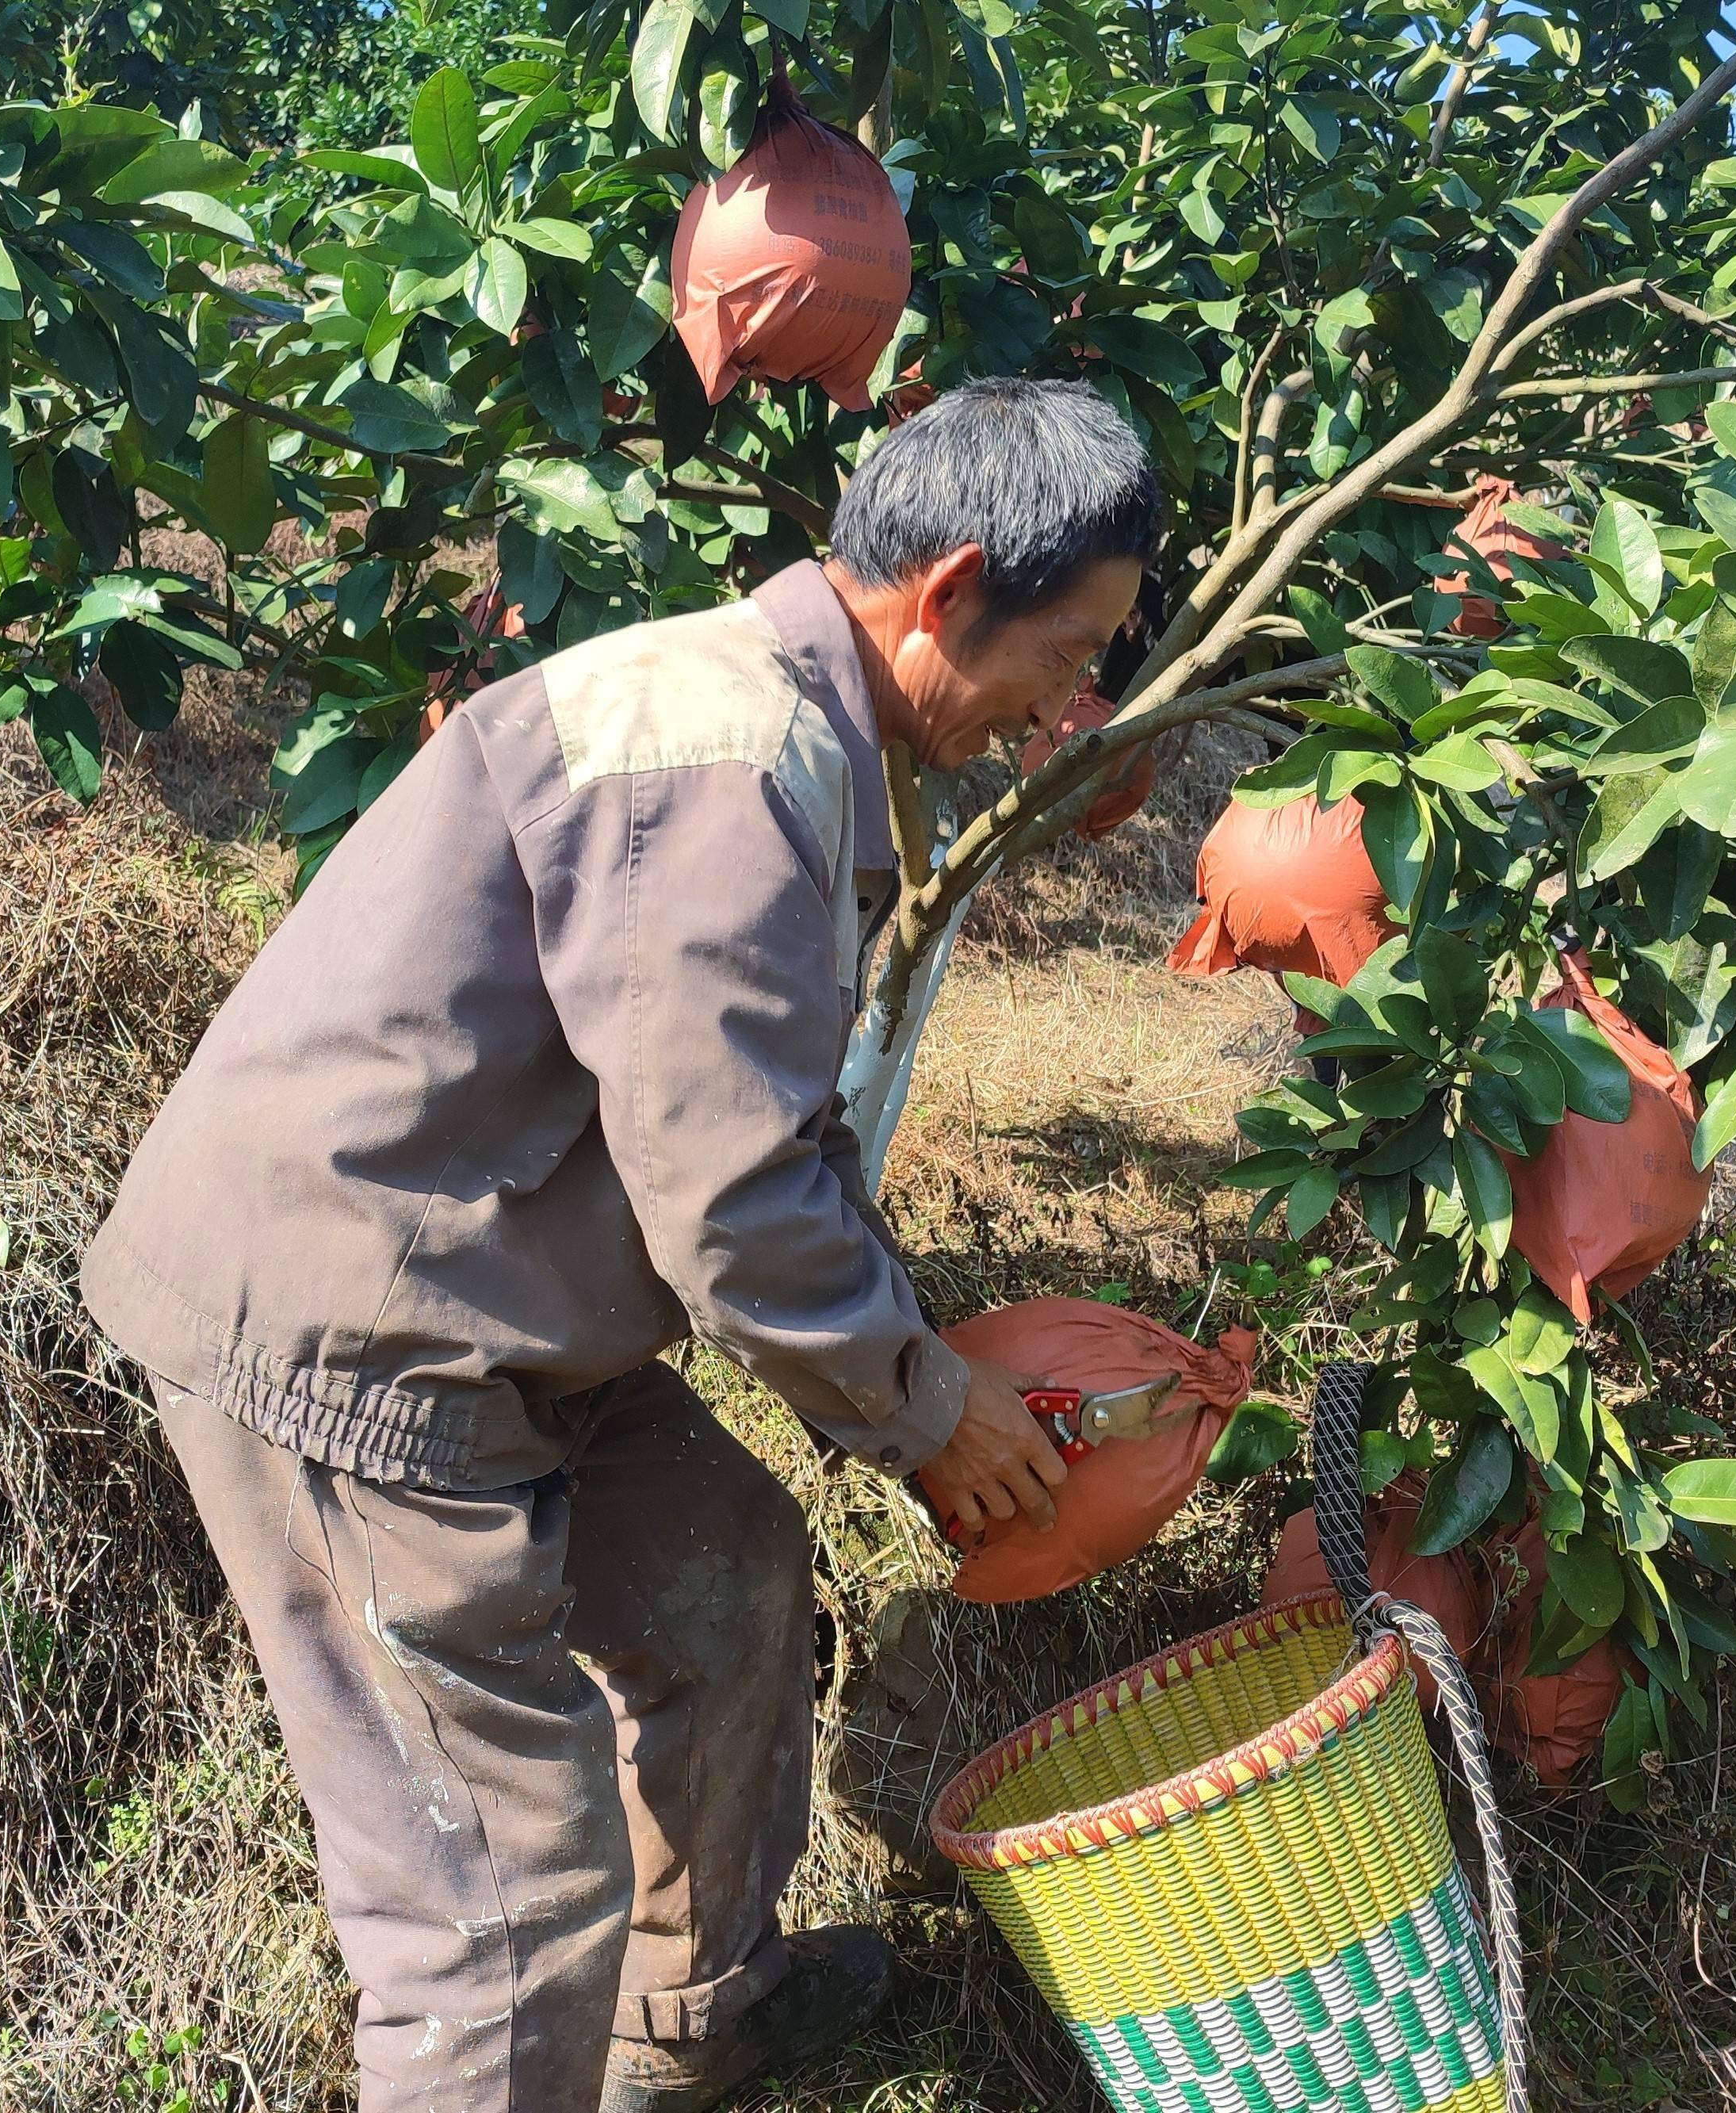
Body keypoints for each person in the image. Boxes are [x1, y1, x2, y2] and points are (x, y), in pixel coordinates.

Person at [81, 378, 1156, 2112]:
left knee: (727, 1581)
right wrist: (915, 1396)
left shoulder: (796, 728)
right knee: (504, 1887)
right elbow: (728, 1191)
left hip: (510, 1300)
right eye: (1071, 649)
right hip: (364, 1335)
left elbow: (746, 1123)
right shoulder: (725, 752)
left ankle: (690, 2026)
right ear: (951, 587)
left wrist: (889, 1373)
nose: (1071, 701)